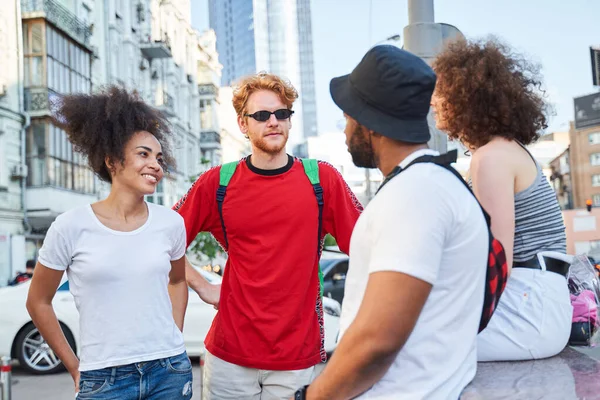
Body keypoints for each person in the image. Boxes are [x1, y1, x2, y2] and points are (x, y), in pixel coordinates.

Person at [294, 45, 489, 400]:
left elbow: (377, 340)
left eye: (348, 118)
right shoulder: (432, 183)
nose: (345, 130)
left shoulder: (416, 193)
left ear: (370, 124)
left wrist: (309, 397)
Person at [173, 72, 362, 399]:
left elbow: (369, 245)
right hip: (228, 354)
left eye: (281, 114)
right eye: (261, 115)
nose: (273, 121)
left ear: (290, 121)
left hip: (295, 356)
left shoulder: (322, 180)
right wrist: (202, 285)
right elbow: (160, 240)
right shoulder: (218, 183)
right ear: (243, 124)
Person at [26, 86, 193, 399]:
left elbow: (178, 280)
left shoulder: (171, 223)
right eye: (143, 154)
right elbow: (38, 302)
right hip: (104, 376)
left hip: (169, 372)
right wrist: (75, 366)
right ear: (112, 161)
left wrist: (174, 336)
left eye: (159, 157)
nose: (156, 165)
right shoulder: (70, 226)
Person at [432, 38, 572, 361]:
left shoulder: (491, 158)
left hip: (529, 310)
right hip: (537, 303)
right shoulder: (503, 150)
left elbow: (496, 261)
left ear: (465, 97)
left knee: (416, 346)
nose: (432, 101)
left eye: (440, 91)